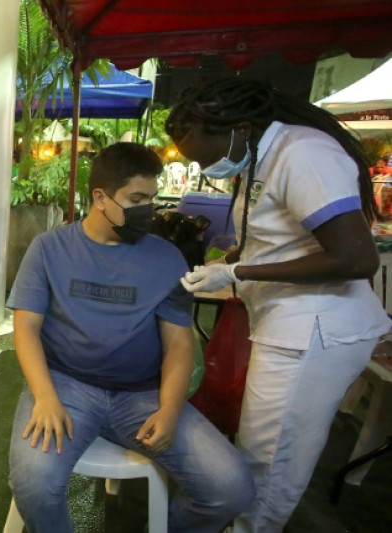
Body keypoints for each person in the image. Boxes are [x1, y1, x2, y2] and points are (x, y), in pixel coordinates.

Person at [166, 78, 392, 533]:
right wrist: (227, 262)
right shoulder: (260, 156)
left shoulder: (303, 154)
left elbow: (355, 258)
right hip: (286, 322)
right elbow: (276, 238)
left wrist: (239, 273)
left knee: (269, 465)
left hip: (314, 330)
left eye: (208, 156)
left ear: (240, 128)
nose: (207, 168)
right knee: (258, 449)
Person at [7, 142, 254, 533]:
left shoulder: (166, 258)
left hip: (141, 395)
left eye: (151, 199)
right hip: (67, 386)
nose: (147, 210)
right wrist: (45, 397)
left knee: (232, 489)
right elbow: (26, 328)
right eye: (136, 200)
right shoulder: (49, 249)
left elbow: (178, 343)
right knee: (34, 486)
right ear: (100, 198)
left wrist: (169, 409)